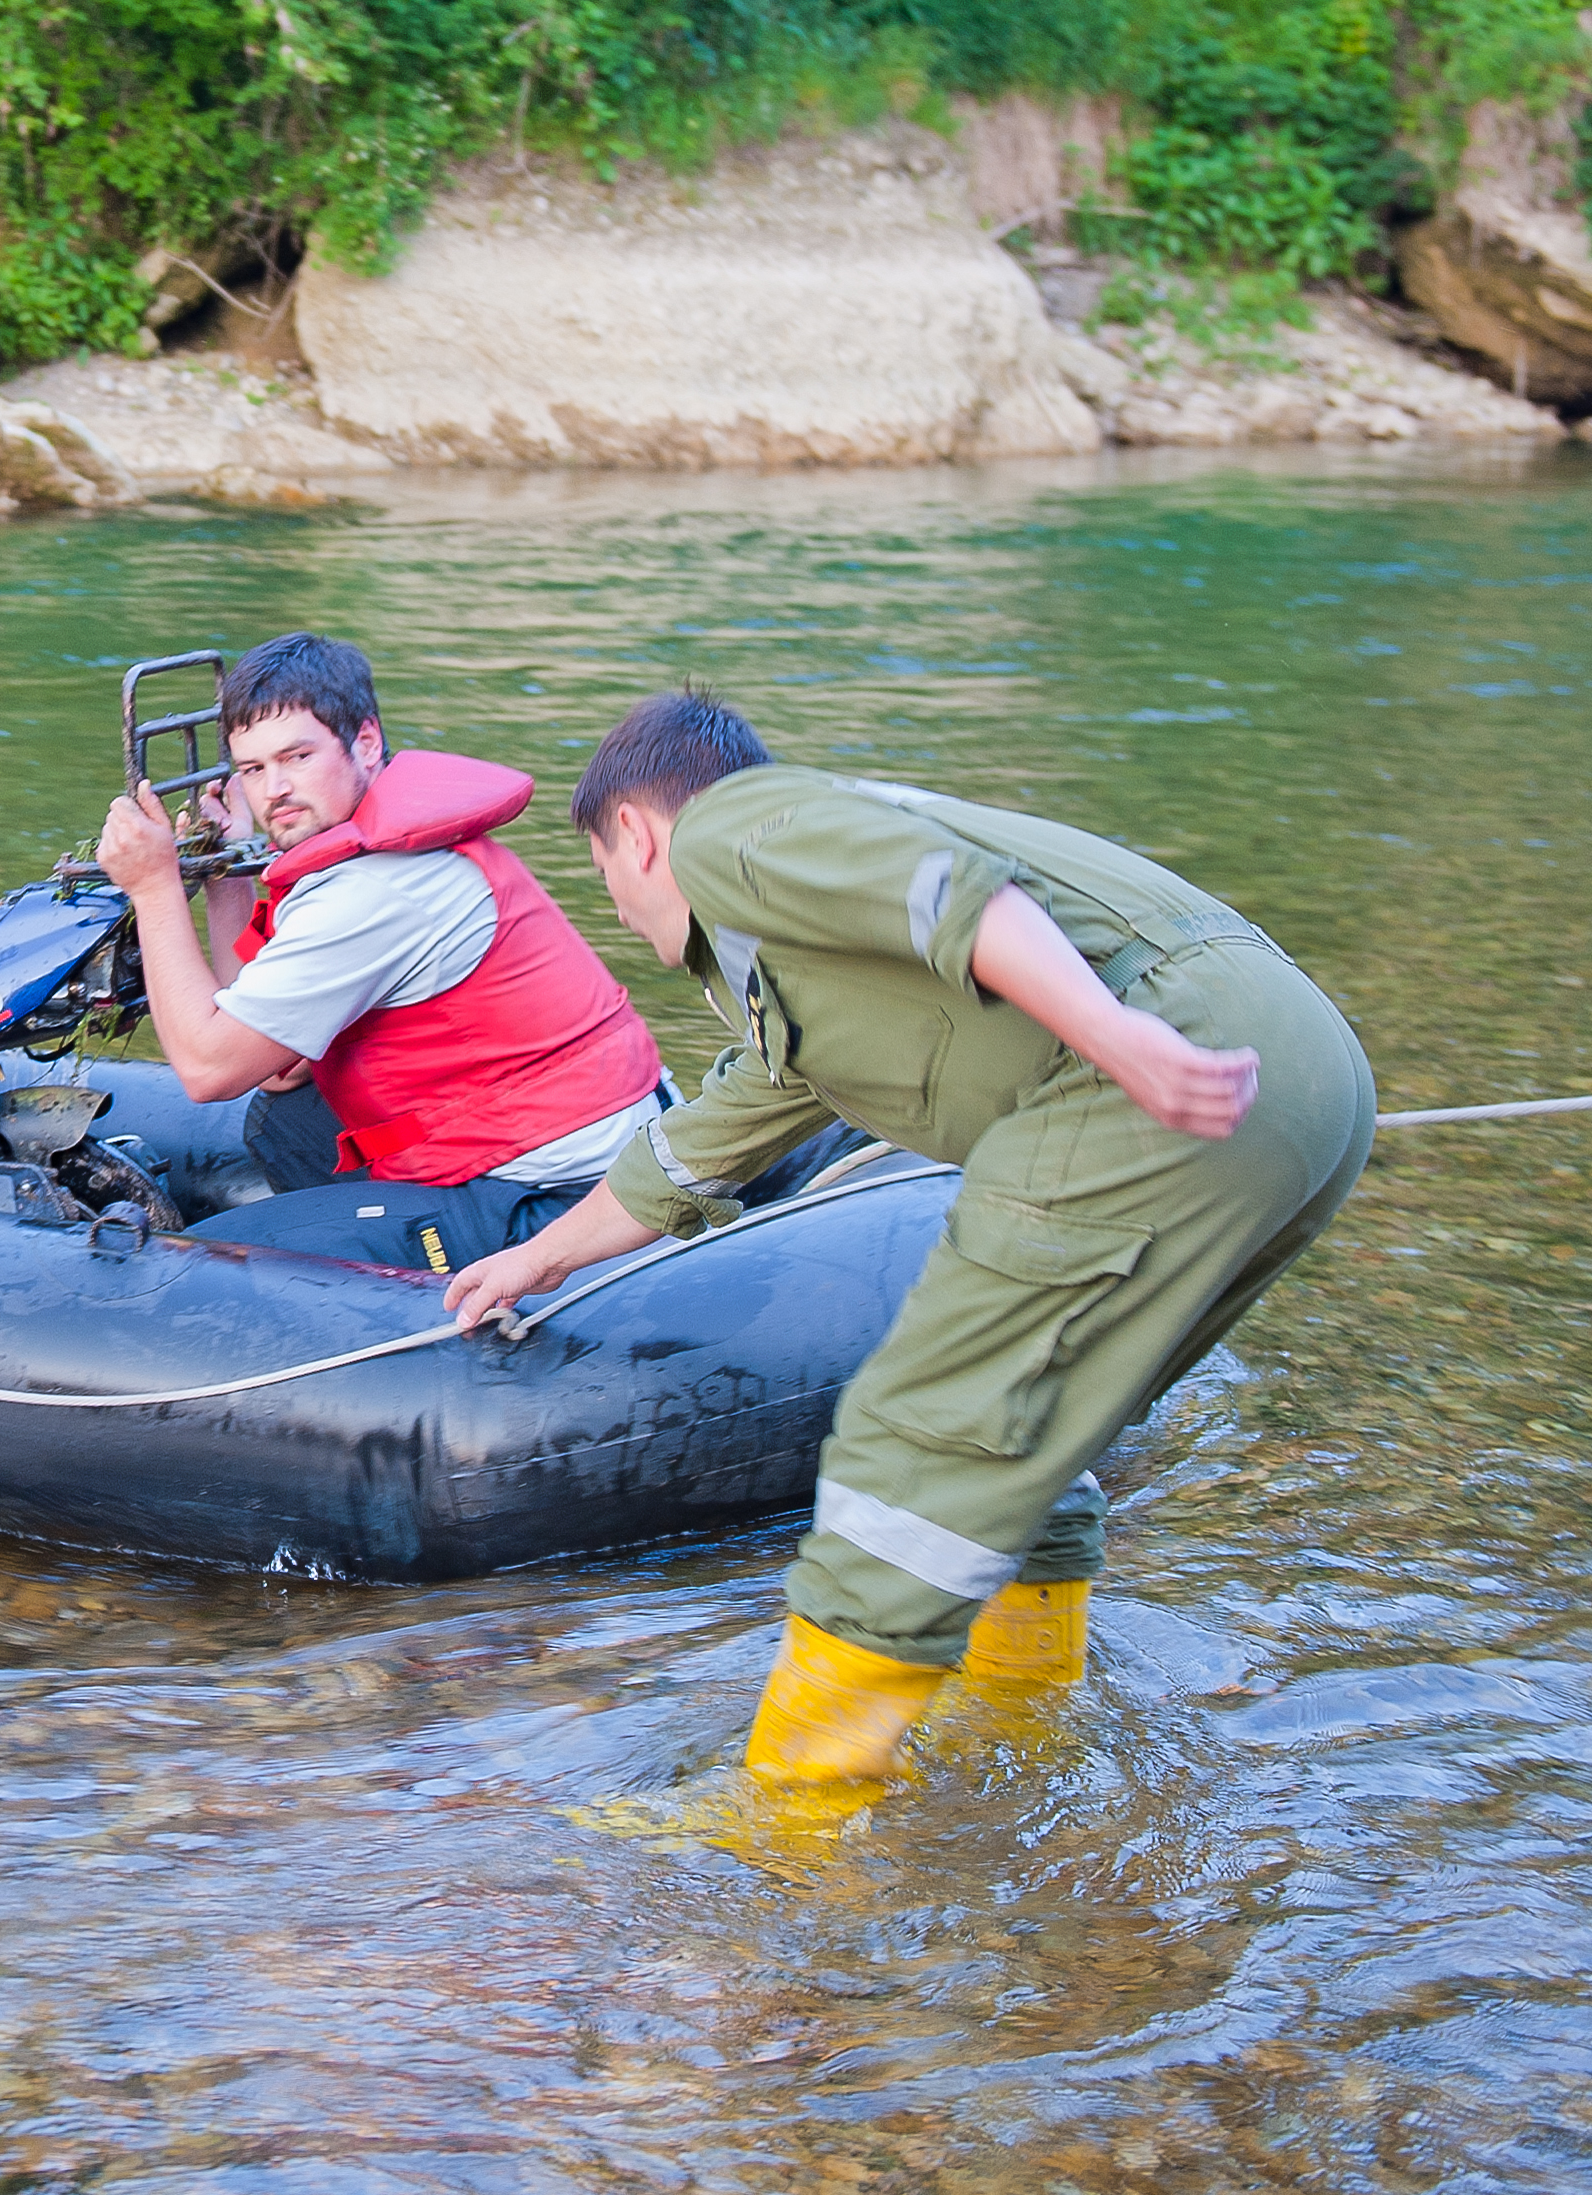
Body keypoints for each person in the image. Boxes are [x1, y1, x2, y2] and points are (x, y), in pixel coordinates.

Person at [442, 689, 1376, 1786]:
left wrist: (1115, 1035)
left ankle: (786, 1820)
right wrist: (540, 1254)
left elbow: (946, 888)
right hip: (1302, 1087)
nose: (615, 899)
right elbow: (706, 1140)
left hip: (1158, 1069)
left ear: (635, 834)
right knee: (1027, 1428)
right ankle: (1020, 1727)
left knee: (911, 1439)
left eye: (601, 869)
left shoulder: (732, 830)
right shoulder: (793, 956)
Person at [93, 633, 668, 1274]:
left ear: (365, 742)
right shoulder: (367, 850)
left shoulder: (378, 887)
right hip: (557, 1146)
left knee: (190, 1264)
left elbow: (208, 1070)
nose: (274, 789)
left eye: (297, 757)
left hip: (556, 1200)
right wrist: (228, 888)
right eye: (253, 770)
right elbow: (278, 1069)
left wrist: (154, 888)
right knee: (284, 1120)